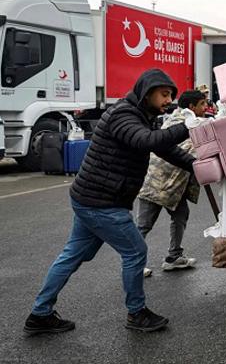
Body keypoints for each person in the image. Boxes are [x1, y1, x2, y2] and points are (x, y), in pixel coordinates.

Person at [25, 69, 195, 335]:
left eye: (170, 95)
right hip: (101, 201)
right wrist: (187, 128)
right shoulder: (123, 115)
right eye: (163, 94)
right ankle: (137, 313)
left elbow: (162, 148)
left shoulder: (142, 116)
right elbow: (145, 142)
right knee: (135, 251)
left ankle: (40, 313)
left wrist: (196, 165)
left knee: (71, 256)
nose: (168, 100)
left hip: (90, 197)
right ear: (146, 92)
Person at [136, 91, 208, 277]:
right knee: (144, 224)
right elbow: (195, 150)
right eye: (202, 104)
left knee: (181, 215)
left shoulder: (179, 119)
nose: (205, 108)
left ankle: (174, 256)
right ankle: (133, 264)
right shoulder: (184, 123)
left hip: (173, 184)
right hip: (158, 182)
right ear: (191, 108)